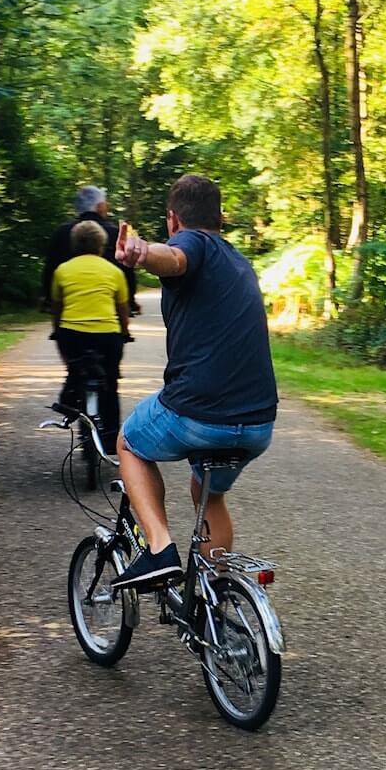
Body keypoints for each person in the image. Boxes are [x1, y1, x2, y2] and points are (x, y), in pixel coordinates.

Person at [109, 174, 277, 590]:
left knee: (128, 441)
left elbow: (176, 258)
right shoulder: (238, 260)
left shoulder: (193, 243)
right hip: (257, 423)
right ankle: (216, 598)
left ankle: (159, 549)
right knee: (208, 495)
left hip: (198, 412)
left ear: (172, 219)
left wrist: (143, 253)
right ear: (220, 217)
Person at [48, 219, 129, 445]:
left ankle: (70, 395)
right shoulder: (114, 272)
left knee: (76, 368)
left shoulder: (62, 271)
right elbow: (122, 310)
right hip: (108, 336)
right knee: (110, 382)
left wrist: (57, 331)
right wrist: (125, 332)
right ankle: (112, 436)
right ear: (102, 245)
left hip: (72, 334)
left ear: (74, 245)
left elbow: (58, 307)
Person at [42, 186, 139, 319]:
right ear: (99, 207)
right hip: (109, 306)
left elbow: (50, 269)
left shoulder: (61, 233)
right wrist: (130, 302)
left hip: (68, 306)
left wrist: (48, 299)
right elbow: (127, 270)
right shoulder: (115, 233)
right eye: (105, 203)